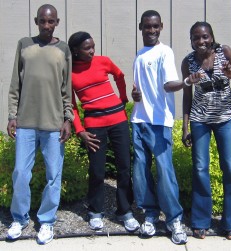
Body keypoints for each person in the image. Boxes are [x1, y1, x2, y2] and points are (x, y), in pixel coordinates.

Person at [6, 4, 74, 245]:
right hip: (26, 122)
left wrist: (68, 119)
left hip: (54, 123)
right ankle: (19, 218)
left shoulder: (63, 49)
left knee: (53, 175)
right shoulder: (25, 44)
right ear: (36, 21)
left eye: (51, 21)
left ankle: (46, 221)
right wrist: (12, 115)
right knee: (20, 173)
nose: (47, 26)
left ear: (57, 22)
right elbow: (15, 84)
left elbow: (67, 89)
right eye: (43, 21)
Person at [67, 31, 140, 232]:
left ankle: (125, 211)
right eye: (87, 48)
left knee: (124, 167)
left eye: (93, 47)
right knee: (97, 170)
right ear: (75, 51)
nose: (92, 51)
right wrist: (80, 130)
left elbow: (119, 75)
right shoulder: (69, 72)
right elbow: (71, 105)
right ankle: (95, 211)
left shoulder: (103, 61)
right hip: (94, 126)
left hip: (118, 121)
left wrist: (123, 98)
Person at [181, 21, 231, 240]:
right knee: (200, 168)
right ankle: (200, 221)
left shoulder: (224, 52)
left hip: (225, 118)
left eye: (205, 36)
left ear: (211, 36)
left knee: (230, 167)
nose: (201, 41)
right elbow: (187, 96)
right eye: (196, 38)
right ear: (191, 40)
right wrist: (185, 126)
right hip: (200, 120)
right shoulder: (188, 62)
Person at [131, 10, 188, 245]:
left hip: (159, 122)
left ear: (161, 26)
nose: (151, 30)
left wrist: (185, 82)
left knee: (165, 172)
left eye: (155, 26)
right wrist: (135, 96)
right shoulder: (139, 54)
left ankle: (174, 219)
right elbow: (139, 90)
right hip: (139, 120)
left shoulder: (165, 51)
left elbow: (168, 84)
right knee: (140, 173)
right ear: (140, 27)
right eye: (147, 26)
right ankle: (151, 214)